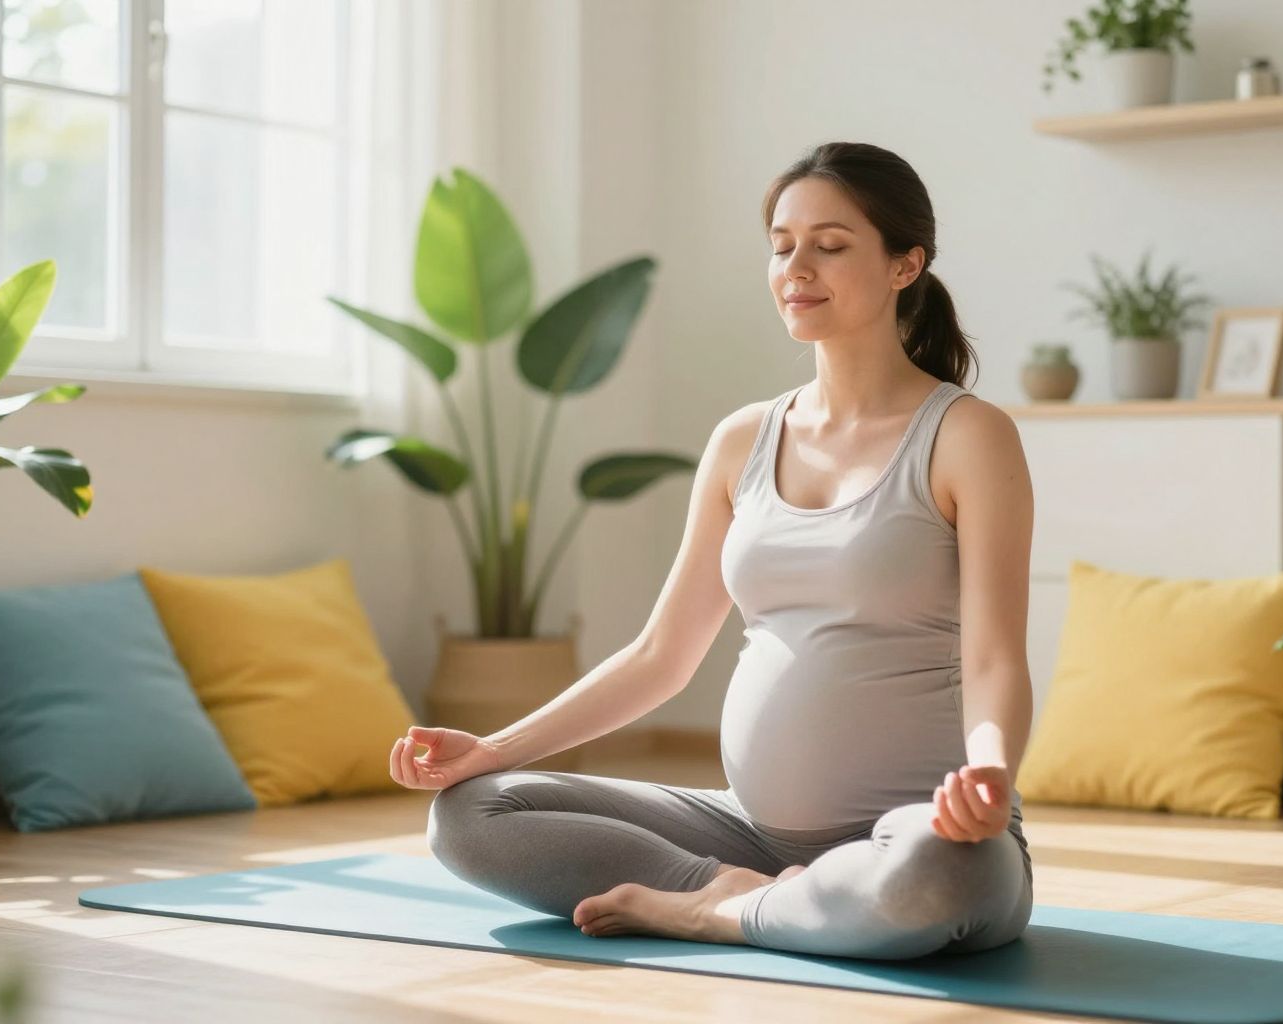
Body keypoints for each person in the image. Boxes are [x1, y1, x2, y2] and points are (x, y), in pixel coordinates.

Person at [396, 140, 1036, 960]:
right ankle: (742, 892)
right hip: (747, 831)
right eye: (781, 245)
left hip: (922, 826)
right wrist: (491, 750)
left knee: (941, 878)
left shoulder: (967, 436)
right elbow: (661, 656)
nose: (796, 267)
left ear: (905, 265)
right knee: (470, 813)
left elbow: (993, 660)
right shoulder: (743, 440)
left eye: (830, 245)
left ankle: (711, 912)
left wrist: (988, 773)